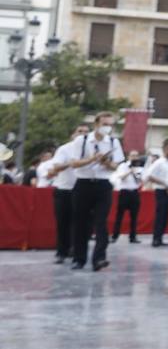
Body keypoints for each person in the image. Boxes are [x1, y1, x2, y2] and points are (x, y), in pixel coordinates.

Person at [66, 112, 124, 271]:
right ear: (96, 124)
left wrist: (106, 161)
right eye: (105, 124)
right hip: (83, 184)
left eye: (110, 125)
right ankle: (79, 258)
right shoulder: (82, 140)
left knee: (101, 222)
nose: (107, 128)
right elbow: (73, 163)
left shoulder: (113, 142)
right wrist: (91, 159)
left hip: (103, 185)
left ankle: (99, 258)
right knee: (81, 223)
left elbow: (116, 166)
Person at [39, 128, 83, 264]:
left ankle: (76, 251)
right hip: (64, 190)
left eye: (86, 132)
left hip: (82, 191)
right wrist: (71, 163)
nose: (83, 134)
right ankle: (61, 252)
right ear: (73, 134)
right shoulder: (64, 149)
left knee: (80, 223)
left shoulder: (90, 150)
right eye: (80, 131)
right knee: (63, 223)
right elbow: (56, 167)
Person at [144, 141, 168, 247]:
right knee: (161, 215)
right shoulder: (159, 162)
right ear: (164, 150)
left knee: (167, 215)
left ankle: (160, 238)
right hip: (161, 190)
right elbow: (149, 176)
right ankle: (156, 238)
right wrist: (164, 183)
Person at [110, 151, 144, 243]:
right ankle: (115, 236)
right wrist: (129, 171)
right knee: (119, 215)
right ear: (128, 156)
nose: (134, 157)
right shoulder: (123, 166)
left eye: (136, 155)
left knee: (134, 216)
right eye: (133, 155)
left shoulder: (139, 167)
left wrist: (138, 176)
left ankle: (133, 237)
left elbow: (141, 180)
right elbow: (120, 177)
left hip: (135, 192)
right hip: (124, 192)